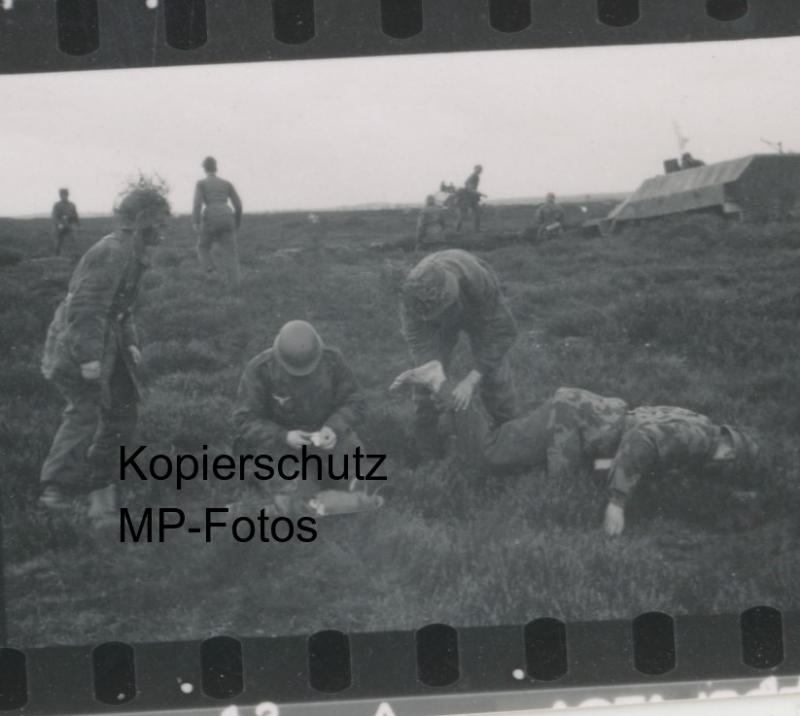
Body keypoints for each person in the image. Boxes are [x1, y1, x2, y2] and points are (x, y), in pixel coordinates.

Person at [390, 364, 761, 536]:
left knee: (525, 463)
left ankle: (447, 417)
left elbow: (644, 438)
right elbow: (642, 442)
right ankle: (439, 383)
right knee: (490, 456)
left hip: (584, 419)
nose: (722, 471)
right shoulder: (700, 441)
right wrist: (617, 503)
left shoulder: (700, 424)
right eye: (730, 467)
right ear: (729, 453)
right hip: (572, 422)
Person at [39, 177, 171, 528]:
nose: (164, 229)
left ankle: (100, 476)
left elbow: (120, 309)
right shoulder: (112, 252)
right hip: (78, 342)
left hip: (107, 340)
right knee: (84, 412)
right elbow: (86, 307)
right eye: (159, 222)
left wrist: (130, 341)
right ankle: (56, 488)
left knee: (123, 407)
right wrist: (88, 358)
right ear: (142, 220)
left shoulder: (133, 252)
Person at [231, 320, 382, 515]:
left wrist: (333, 428)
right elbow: (243, 419)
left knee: (359, 482)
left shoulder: (332, 361)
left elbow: (356, 402)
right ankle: (288, 500)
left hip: (327, 439)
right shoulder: (260, 369)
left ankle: (344, 489)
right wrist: (283, 436)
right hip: (280, 447)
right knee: (298, 503)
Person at [399, 249, 518, 457]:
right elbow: (419, 342)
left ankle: (508, 432)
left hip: (477, 310)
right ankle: (427, 448)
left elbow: (502, 332)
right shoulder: (412, 300)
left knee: (495, 375)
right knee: (424, 381)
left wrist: (472, 379)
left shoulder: (477, 280)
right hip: (432, 324)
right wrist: (433, 372)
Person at [192, 156, 243, 290]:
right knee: (231, 255)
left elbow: (197, 204)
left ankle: (210, 268)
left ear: (204, 168)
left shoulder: (201, 184)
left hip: (211, 218)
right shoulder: (227, 183)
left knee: (202, 247)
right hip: (227, 217)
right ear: (216, 167)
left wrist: (196, 222)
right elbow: (238, 205)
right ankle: (235, 289)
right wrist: (237, 222)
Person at [51, 188, 80, 257]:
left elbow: (75, 215)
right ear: (60, 196)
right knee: (58, 241)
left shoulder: (72, 205)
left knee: (73, 240)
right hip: (60, 226)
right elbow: (55, 217)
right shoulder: (57, 205)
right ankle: (56, 255)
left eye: (65, 194)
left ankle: (74, 255)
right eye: (62, 195)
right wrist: (59, 224)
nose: (63, 196)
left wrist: (76, 224)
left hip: (70, 225)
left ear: (67, 195)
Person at [456, 165, 484, 232]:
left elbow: (468, 186)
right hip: (467, 198)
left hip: (472, 197)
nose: (480, 170)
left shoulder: (476, 177)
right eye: (479, 169)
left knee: (477, 212)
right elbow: (469, 188)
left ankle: (477, 229)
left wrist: (476, 193)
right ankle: (458, 229)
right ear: (475, 169)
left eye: (481, 169)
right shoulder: (473, 177)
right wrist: (479, 193)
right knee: (463, 214)